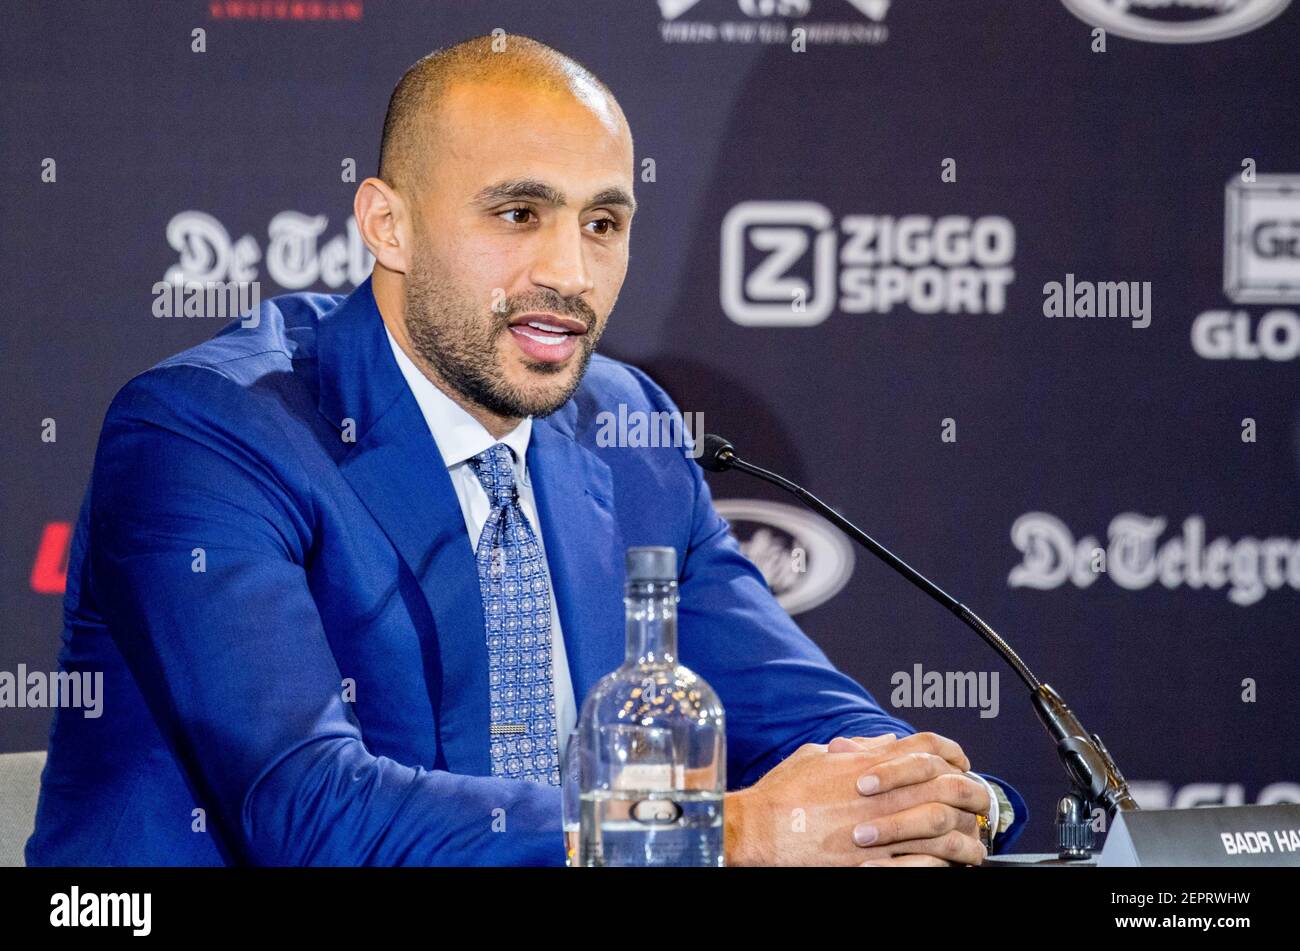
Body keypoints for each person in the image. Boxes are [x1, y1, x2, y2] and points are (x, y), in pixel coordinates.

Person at [26, 33, 1025, 866]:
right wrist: (717, 834)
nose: (568, 270)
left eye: (603, 222)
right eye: (518, 214)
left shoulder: (623, 427)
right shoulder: (210, 432)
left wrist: (942, 796)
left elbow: (807, 720)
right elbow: (309, 814)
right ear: (389, 224)